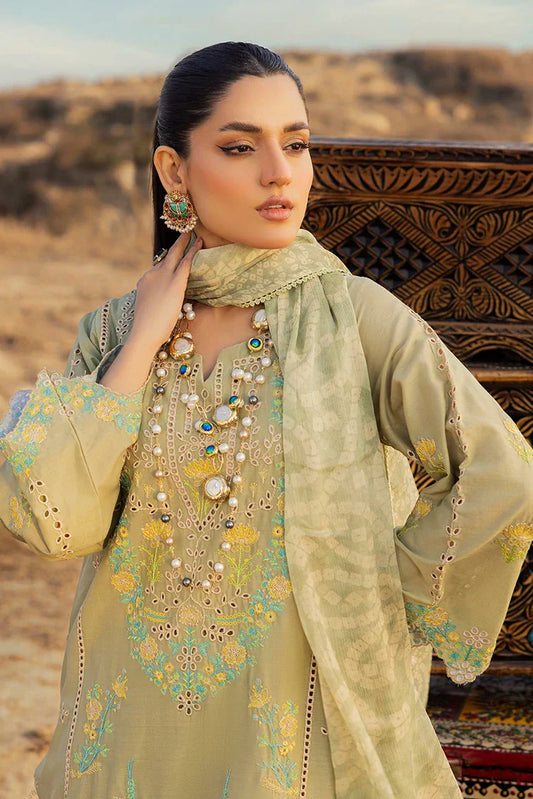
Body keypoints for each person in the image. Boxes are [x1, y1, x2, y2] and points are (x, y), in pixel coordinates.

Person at [0, 41, 531, 799]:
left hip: (292, 737)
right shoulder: (114, 331)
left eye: (297, 143)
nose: (280, 172)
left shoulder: (356, 320)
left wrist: (378, 599)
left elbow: (499, 471)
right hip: (128, 735)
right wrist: (144, 341)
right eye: (240, 147)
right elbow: (57, 523)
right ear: (174, 171)